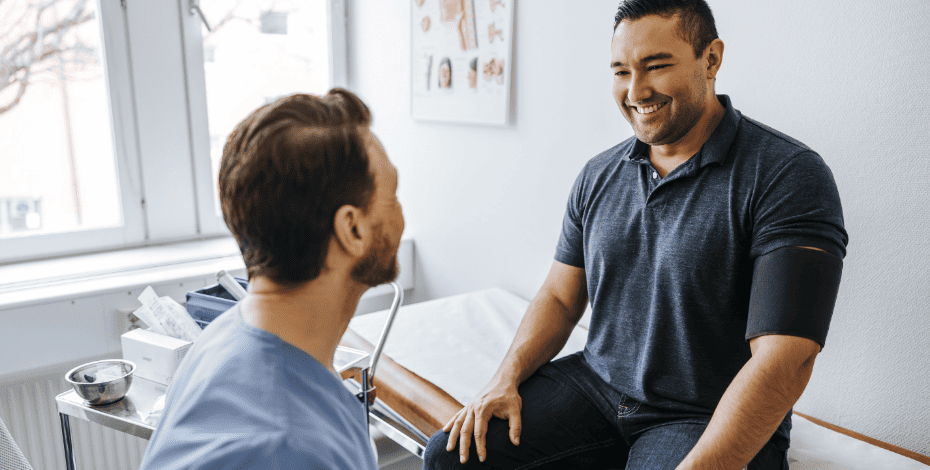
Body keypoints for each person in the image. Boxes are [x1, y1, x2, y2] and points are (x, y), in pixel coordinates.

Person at [424, 1, 847, 469]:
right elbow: (562, 299)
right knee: (449, 457)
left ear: (711, 59)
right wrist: (504, 378)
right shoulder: (598, 174)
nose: (635, 90)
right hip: (597, 387)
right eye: (621, 71)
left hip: (700, 414)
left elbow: (786, 362)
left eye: (656, 66)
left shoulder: (787, 175)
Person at [140, 89, 403, 470]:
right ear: (352, 228)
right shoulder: (292, 449)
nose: (401, 215)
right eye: (392, 197)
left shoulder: (225, 334)